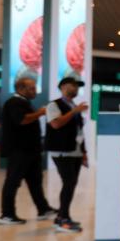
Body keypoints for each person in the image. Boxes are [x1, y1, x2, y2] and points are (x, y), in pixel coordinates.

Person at [0, 77, 56, 225]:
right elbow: (22, 120)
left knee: (35, 181)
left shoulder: (24, 102)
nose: (35, 91)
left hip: (30, 150)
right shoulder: (14, 102)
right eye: (32, 88)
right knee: (13, 181)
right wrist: (40, 113)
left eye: (35, 87)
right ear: (21, 89)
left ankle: (43, 209)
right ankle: (7, 214)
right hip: (19, 150)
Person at [44, 77, 89, 232]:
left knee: (71, 183)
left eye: (77, 86)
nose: (76, 88)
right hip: (61, 151)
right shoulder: (53, 105)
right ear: (63, 87)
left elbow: (79, 131)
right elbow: (55, 124)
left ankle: (63, 216)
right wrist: (74, 111)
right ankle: (62, 219)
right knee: (69, 182)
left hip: (75, 151)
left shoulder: (73, 106)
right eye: (73, 85)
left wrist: (84, 152)